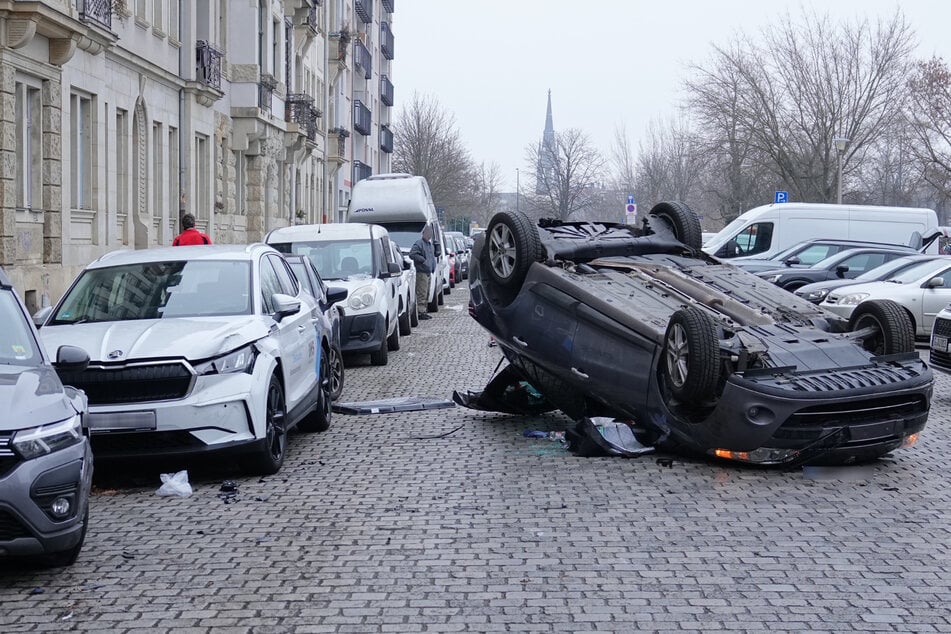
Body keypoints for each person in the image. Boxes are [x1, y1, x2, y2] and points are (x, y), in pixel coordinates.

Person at [408, 225, 436, 321]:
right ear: (423, 233)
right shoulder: (419, 243)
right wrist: (422, 260)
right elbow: (412, 254)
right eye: (427, 233)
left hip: (428, 272)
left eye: (430, 234)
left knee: (427, 293)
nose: (429, 235)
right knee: (422, 293)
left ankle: (424, 311)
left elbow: (432, 257)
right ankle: (420, 312)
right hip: (421, 272)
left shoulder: (430, 245)